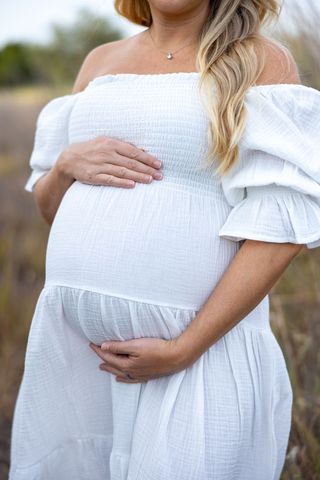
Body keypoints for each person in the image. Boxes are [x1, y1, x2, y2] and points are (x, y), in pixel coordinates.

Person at [9, 1, 320, 479]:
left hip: (198, 357)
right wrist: (67, 164)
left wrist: (186, 347)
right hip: (80, 360)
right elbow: (52, 209)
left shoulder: (260, 59)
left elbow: (282, 223)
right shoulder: (100, 62)